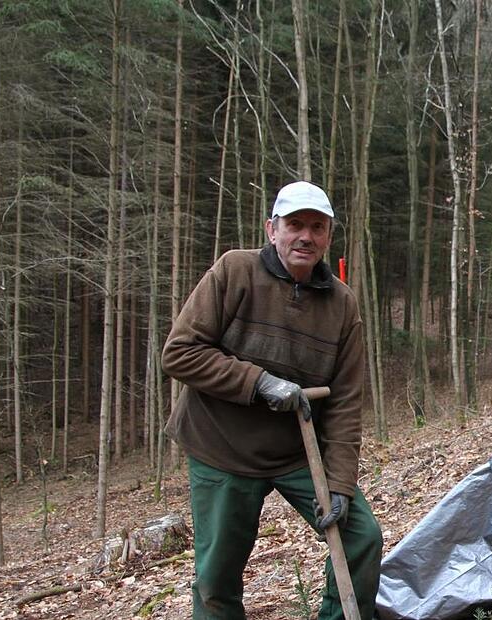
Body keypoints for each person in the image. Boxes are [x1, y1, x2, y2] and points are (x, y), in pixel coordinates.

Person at [163, 180, 383, 619]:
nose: (305, 236)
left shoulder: (342, 305)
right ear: (272, 229)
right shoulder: (234, 271)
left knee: (361, 537)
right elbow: (180, 353)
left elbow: (344, 404)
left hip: (296, 453)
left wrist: (339, 484)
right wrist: (260, 382)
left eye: (317, 227)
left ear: (328, 237)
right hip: (221, 447)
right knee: (216, 578)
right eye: (294, 224)